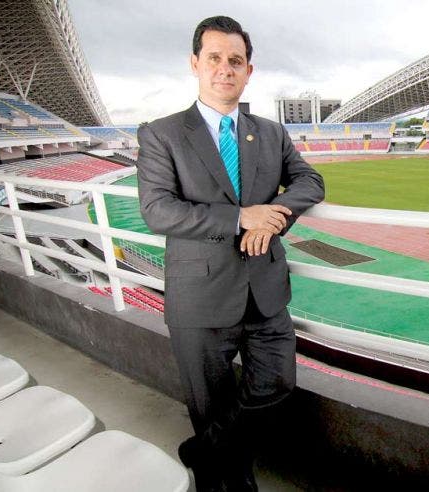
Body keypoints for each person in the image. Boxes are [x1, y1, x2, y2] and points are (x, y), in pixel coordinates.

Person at [136, 15, 324, 492]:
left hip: (265, 293)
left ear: (249, 71)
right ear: (195, 64)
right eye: (215, 59)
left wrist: (274, 213)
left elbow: (310, 181)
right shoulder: (161, 134)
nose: (225, 68)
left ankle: (200, 454)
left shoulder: (270, 131)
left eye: (235, 61)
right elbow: (158, 211)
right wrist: (242, 218)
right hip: (199, 298)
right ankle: (227, 480)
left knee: (277, 384)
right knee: (211, 408)